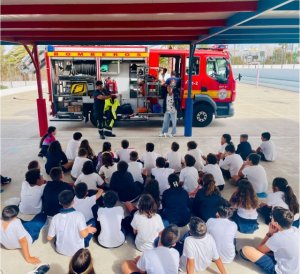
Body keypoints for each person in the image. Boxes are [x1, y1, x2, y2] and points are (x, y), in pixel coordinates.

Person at [241, 207, 299, 274]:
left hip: (282, 271)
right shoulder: (295, 229)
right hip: (295, 268)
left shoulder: (278, 237)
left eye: (272, 218)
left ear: (276, 223)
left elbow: (260, 249)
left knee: (246, 250)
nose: (271, 218)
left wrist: (270, 233)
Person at [47, 190, 97, 256]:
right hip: (77, 251)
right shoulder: (79, 215)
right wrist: (87, 229)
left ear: (60, 202)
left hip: (60, 250)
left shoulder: (55, 217)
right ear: (73, 202)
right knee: (93, 221)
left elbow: (49, 238)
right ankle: (85, 244)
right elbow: (84, 235)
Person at [159, 70, 181, 138]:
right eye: (168, 88)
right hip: (168, 110)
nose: (169, 89)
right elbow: (180, 87)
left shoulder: (168, 79)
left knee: (171, 122)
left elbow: (163, 85)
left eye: (169, 88)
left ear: (171, 74)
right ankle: (165, 132)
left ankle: (171, 133)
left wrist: (164, 84)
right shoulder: (178, 80)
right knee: (168, 121)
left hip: (172, 110)